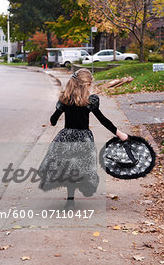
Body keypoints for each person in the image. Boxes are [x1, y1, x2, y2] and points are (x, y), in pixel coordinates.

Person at [38, 68, 128, 209]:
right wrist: (119, 133)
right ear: (86, 85)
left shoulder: (65, 100)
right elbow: (103, 120)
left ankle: (70, 200)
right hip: (83, 140)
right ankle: (81, 191)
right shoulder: (89, 102)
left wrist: (53, 121)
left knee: (68, 167)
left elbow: (54, 119)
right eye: (90, 84)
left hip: (66, 138)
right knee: (81, 168)